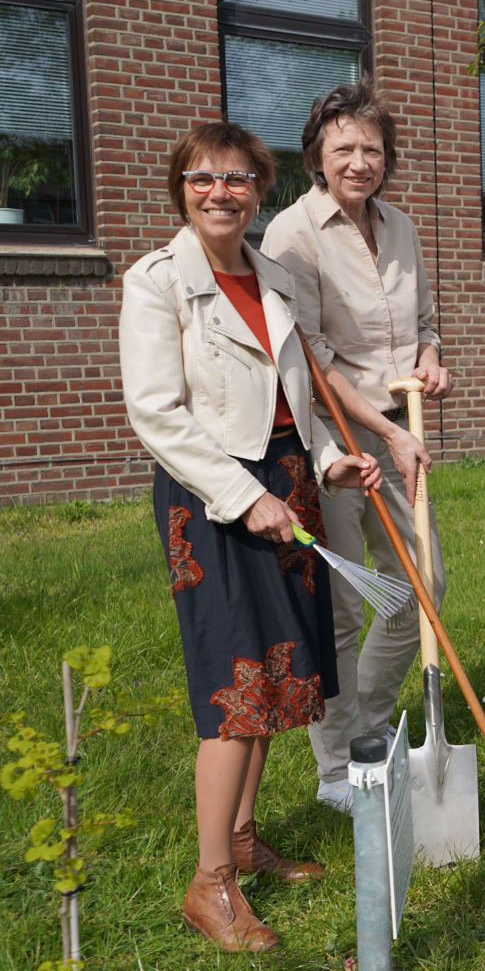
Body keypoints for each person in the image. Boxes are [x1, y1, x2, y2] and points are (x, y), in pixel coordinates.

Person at [120, 122, 382, 951]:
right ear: (181, 189)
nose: (220, 193)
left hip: (288, 478)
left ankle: (240, 837)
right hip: (213, 495)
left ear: (258, 189)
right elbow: (157, 414)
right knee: (235, 689)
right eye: (203, 180)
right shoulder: (156, 282)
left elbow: (297, 400)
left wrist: (333, 461)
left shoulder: (270, 275)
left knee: (280, 672)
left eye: (236, 179)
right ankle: (210, 885)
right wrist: (243, 496)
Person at [262, 78, 452, 813]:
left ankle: (372, 728)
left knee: (421, 589)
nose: (359, 160)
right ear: (317, 154)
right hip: (331, 443)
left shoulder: (399, 226)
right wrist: (387, 432)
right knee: (342, 607)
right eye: (344, 147)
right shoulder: (291, 234)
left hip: (398, 433)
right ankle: (337, 769)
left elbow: (426, 320)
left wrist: (431, 358)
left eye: (372, 147)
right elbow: (311, 358)